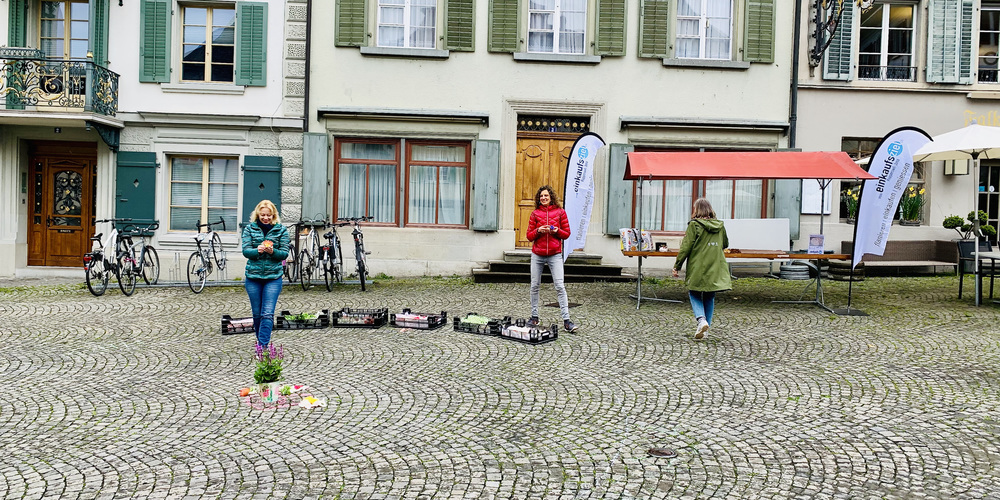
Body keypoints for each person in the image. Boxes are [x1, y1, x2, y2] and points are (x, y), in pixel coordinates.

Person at [672, 198, 731, 339]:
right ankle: (705, 330)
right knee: (710, 295)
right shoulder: (719, 225)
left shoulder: (694, 225)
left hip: (698, 265)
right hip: (715, 265)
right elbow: (725, 243)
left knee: (694, 292)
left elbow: (686, 247)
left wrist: (677, 266)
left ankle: (701, 320)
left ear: (696, 210)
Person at [526, 185, 578, 333]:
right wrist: (538, 231)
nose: (543, 198)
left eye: (546, 196)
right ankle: (534, 316)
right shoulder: (535, 214)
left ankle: (567, 321)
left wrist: (556, 231)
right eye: (541, 196)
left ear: (551, 197)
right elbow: (529, 236)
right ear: (539, 199)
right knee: (534, 285)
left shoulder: (560, 212)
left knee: (560, 286)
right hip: (537, 254)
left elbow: (566, 234)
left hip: (555, 254)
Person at [242, 200, 290, 348]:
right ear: (258, 214)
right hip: (253, 277)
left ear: (273, 215)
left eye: (269, 215)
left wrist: (272, 251)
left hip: (273, 277)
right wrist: (257, 250)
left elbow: (284, 253)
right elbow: (246, 251)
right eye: (263, 215)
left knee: (267, 314)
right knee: (257, 314)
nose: (266, 218)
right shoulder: (250, 229)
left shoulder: (281, 230)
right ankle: (260, 341)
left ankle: (262, 347)